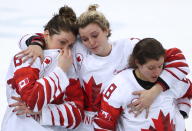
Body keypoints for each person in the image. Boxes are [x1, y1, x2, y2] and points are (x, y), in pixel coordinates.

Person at [15, 4, 191, 131]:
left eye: (95, 35)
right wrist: (36, 43)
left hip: (118, 120)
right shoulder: (77, 49)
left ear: (106, 30)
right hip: (82, 123)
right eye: (84, 38)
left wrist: (155, 92)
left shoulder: (129, 47)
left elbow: (175, 58)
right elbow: (47, 36)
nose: (90, 42)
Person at [1, 5, 84, 131]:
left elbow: (77, 114)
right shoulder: (27, 57)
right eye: (62, 42)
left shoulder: (68, 64)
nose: (65, 49)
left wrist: (43, 113)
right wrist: (60, 72)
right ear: (47, 34)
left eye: (70, 45)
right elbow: (32, 101)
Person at [93, 38, 192, 131]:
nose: (157, 72)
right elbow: (104, 122)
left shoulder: (171, 77)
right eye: (151, 68)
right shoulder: (120, 85)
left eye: (160, 66)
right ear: (138, 63)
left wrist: (183, 111)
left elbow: (188, 92)